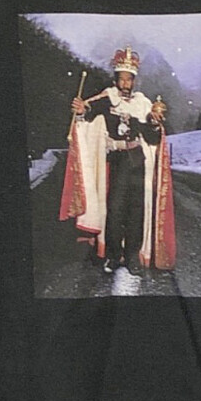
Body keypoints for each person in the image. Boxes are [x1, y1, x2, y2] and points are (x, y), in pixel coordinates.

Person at [67, 47, 170, 274]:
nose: (125, 83)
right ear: (116, 80)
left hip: (138, 160)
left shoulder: (143, 104)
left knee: (136, 210)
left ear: (134, 81)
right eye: (122, 79)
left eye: (129, 79)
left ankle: (132, 257)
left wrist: (154, 123)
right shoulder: (108, 99)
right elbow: (89, 111)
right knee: (115, 209)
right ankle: (113, 256)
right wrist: (82, 110)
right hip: (118, 160)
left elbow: (152, 137)